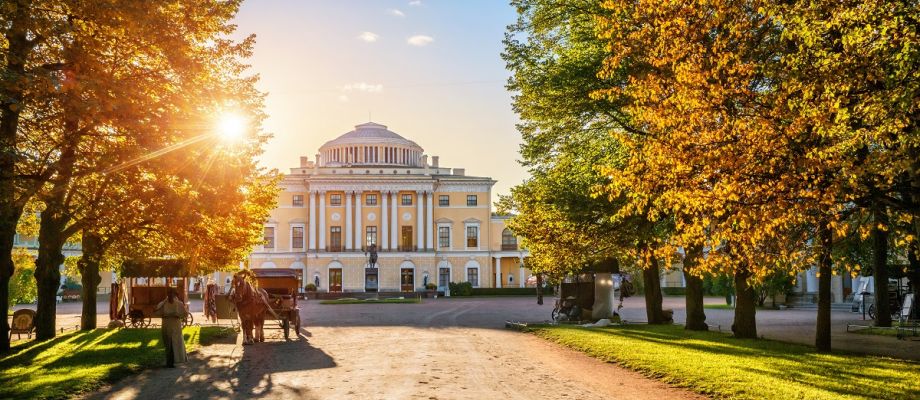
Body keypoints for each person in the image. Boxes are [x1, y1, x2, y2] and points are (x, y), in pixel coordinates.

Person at [154, 287, 188, 367]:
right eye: (169, 294)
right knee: (168, 343)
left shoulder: (179, 304)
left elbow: (185, 314)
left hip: (175, 325)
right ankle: (169, 361)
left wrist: (177, 315)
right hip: (166, 324)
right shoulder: (163, 304)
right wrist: (158, 311)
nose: (170, 296)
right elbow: (157, 312)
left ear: (174, 295)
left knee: (175, 342)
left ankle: (175, 360)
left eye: (171, 294)